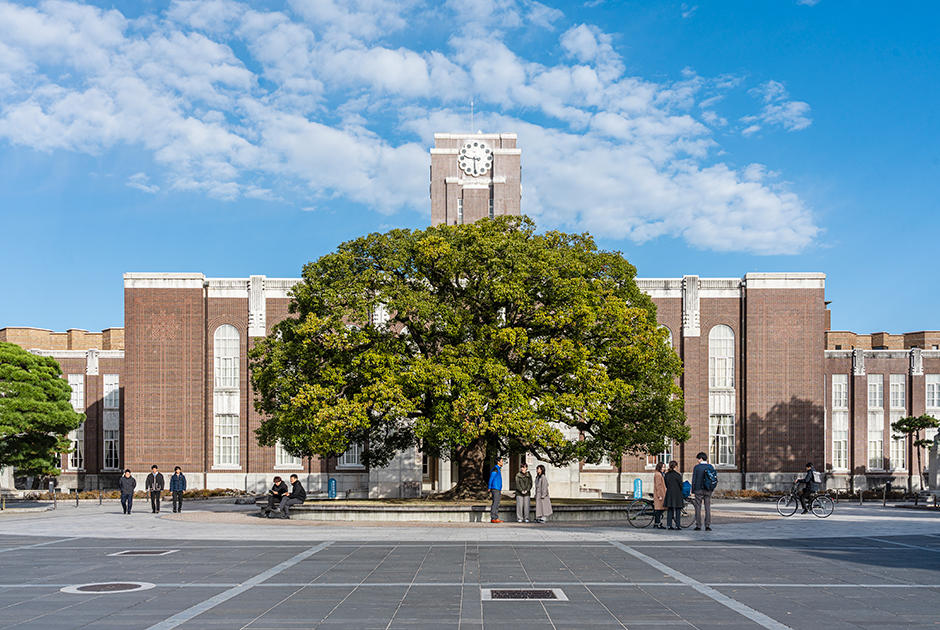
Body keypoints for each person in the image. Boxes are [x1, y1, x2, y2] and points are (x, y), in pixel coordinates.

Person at [691, 452, 716, 531]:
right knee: (707, 508)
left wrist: (693, 490)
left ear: (701, 459)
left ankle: (698, 525)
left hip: (698, 489)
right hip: (708, 489)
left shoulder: (697, 467)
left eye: (698, 459)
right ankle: (707, 525)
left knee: (698, 507)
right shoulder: (710, 466)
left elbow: (694, 479)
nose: (697, 460)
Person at [664, 461, 684, 530]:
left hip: (669, 493)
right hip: (677, 493)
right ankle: (677, 525)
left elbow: (666, 484)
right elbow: (681, 485)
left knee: (670, 509)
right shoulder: (678, 475)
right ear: (676, 466)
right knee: (678, 510)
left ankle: (669, 525)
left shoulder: (667, 475)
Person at [489, 457, 504, 523]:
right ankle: (493, 517)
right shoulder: (495, 469)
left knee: (497, 503)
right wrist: (489, 487)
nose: (502, 462)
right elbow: (491, 478)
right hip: (495, 488)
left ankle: (496, 517)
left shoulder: (498, 469)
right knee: (495, 503)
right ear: (498, 462)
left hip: (498, 488)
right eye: (502, 461)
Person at [652, 461, 667, 529]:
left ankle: (657, 523)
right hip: (660, 494)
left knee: (659, 509)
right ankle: (657, 523)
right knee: (659, 509)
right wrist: (660, 495)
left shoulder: (659, 474)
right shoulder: (658, 474)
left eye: (664, 467)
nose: (664, 468)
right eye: (663, 467)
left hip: (661, 493)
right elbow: (658, 485)